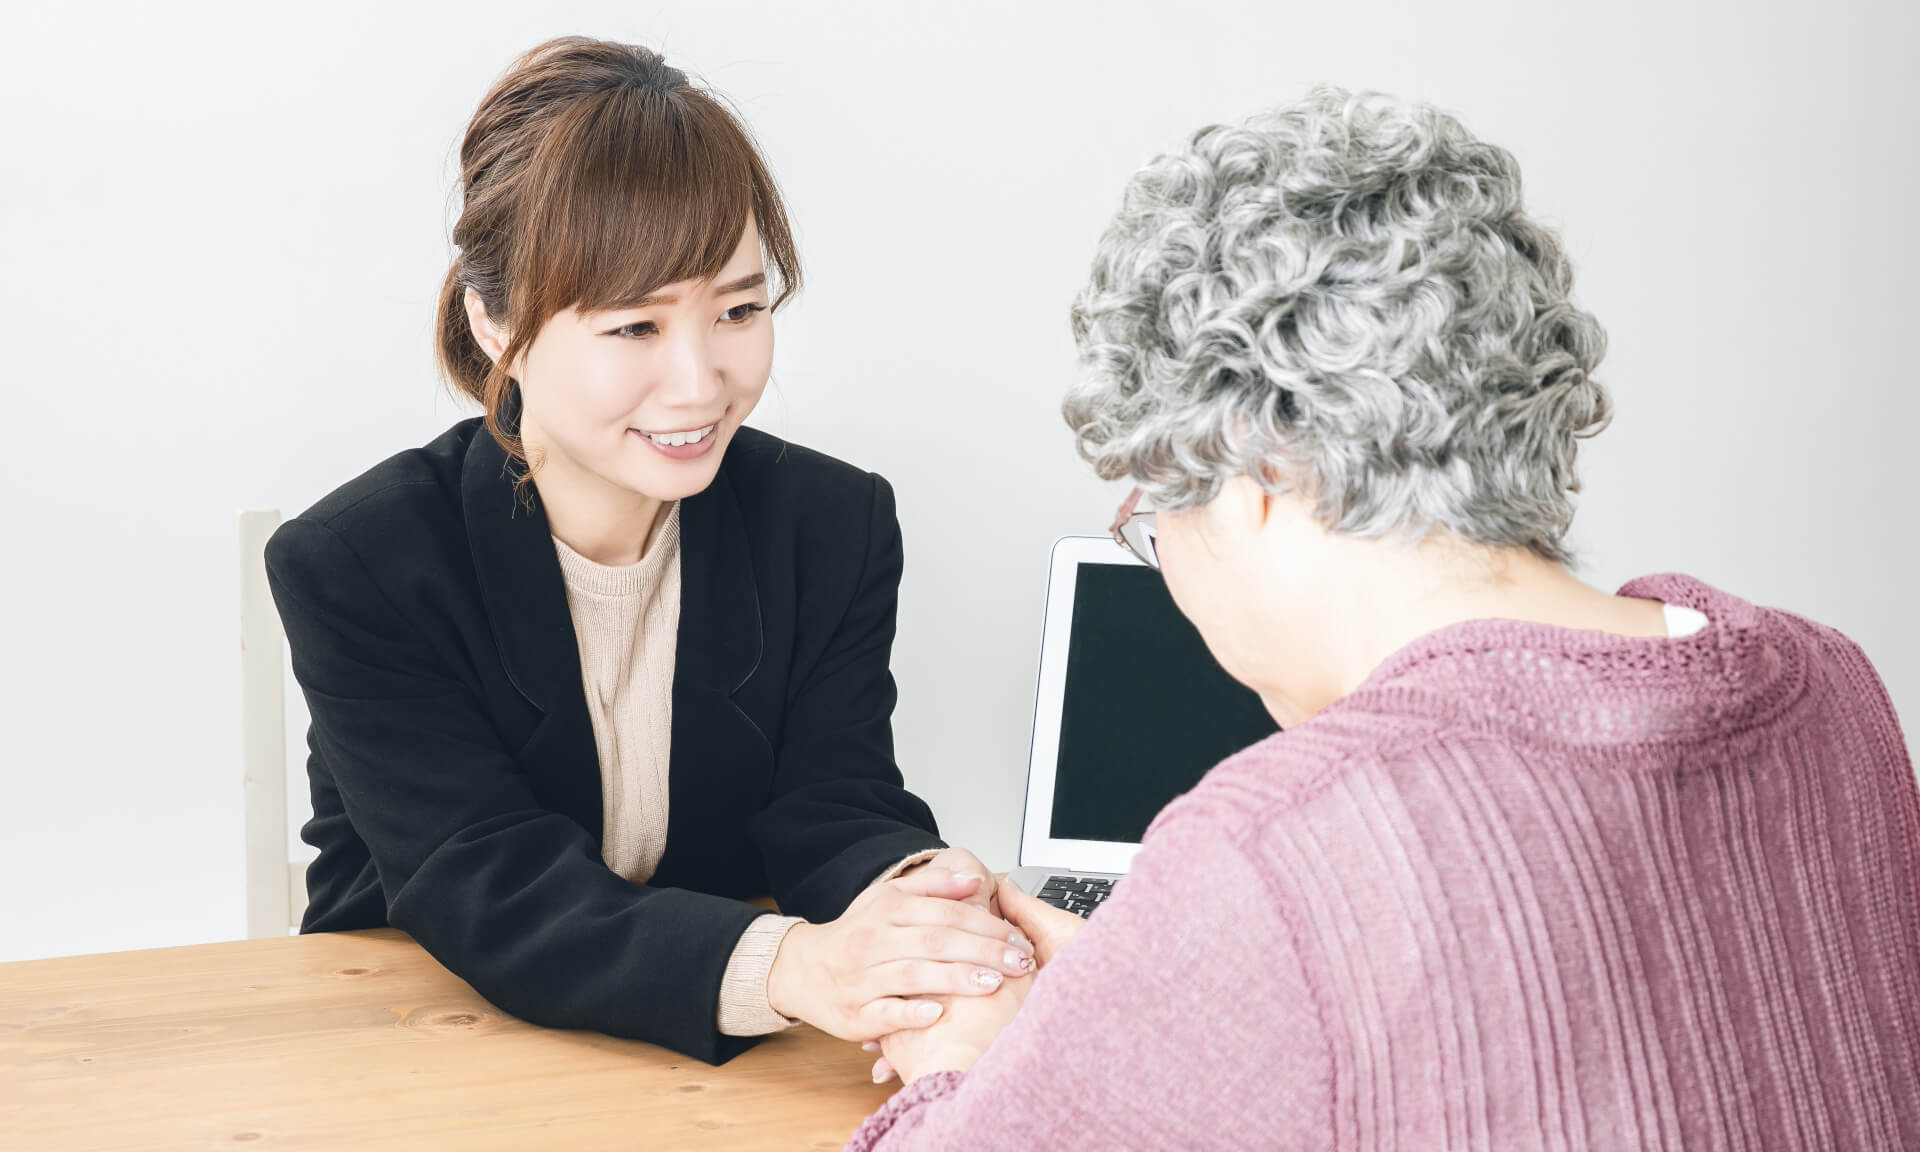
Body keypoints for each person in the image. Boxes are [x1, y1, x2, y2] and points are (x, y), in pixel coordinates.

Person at [846, 87, 1920, 1150]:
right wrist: (1148, 1004)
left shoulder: (1283, 839)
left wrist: (968, 1064)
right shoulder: (1829, 681)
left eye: (1156, 520)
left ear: (1257, 469)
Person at [265, 36, 1032, 1067]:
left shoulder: (831, 522)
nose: (700, 380)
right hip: (429, 1031)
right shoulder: (359, 560)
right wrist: (798, 969)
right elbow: (484, 876)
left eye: (740, 309)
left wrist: (926, 907)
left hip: (700, 1052)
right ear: (494, 320)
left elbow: (834, 803)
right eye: (634, 326)